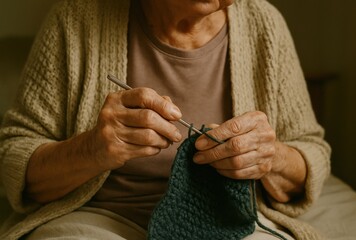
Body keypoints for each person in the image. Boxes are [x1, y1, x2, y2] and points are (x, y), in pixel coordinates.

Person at [0, 0, 331, 239]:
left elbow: (311, 151)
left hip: (226, 220)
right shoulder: (75, 18)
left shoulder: (265, 24)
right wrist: (91, 149)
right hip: (96, 218)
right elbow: (13, 157)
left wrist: (268, 157)